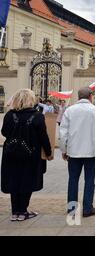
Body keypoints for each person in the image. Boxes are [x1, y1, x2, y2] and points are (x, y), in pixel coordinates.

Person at [1, 89, 53, 221]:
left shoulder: (9, 115)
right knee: (27, 181)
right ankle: (23, 211)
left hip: (10, 153)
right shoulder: (37, 116)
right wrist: (48, 152)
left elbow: (4, 132)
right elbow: (43, 137)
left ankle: (15, 212)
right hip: (30, 154)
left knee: (14, 180)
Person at [59, 87, 95, 218]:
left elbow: (63, 133)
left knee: (73, 180)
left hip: (73, 151)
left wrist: (64, 149)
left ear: (79, 97)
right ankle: (87, 208)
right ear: (90, 97)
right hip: (91, 151)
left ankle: (72, 209)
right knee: (89, 180)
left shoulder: (70, 110)